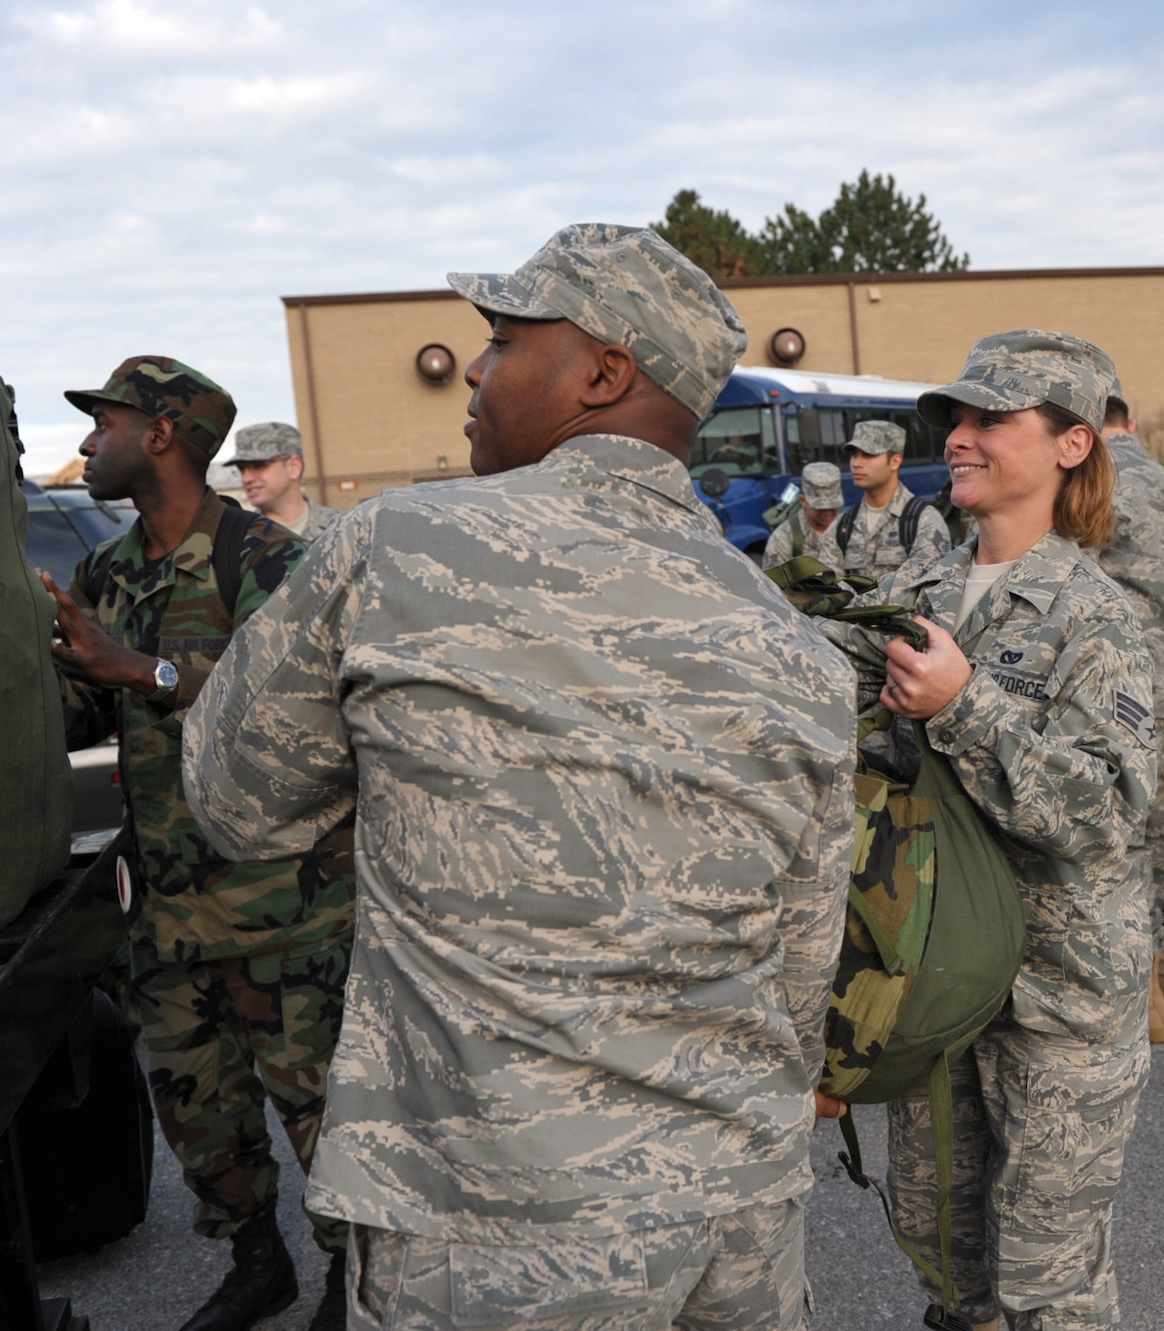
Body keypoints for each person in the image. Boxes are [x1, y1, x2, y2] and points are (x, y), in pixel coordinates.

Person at [183, 223, 858, 1331]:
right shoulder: (792, 642)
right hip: (736, 1215)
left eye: (500, 339)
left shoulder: (395, 544)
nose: (477, 372)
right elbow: (797, 967)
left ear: (603, 372)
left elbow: (234, 801)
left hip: (499, 1225)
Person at [823, 330, 1157, 1331]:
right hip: (926, 990)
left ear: (1069, 445)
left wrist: (963, 707)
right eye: (953, 420)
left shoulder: (1093, 613)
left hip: (1054, 1003)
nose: (957, 438)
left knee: (1046, 1281)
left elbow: (1103, 809)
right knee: (942, 1246)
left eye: (986, 420)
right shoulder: (918, 595)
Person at [42, 357, 356, 1331]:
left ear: (163, 433)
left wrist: (136, 665)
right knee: (200, 1112)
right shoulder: (107, 570)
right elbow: (83, 704)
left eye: (104, 422)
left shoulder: (267, 558)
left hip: (285, 907)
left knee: (324, 1115)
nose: (89, 443)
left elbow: (292, 706)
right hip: (171, 910)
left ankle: (358, 1283)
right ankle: (257, 1261)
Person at [1099, 392, 1164, 1042]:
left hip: (1120, 683)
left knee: (1125, 836)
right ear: (1131, 422)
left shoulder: (1085, 482)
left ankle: (1147, 995)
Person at [832, 418, 954, 580]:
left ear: (895, 461)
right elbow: (827, 588)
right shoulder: (843, 525)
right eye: (854, 454)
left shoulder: (923, 521)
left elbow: (927, 592)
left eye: (868, 455)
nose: (856, 463)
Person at [223, 421, 342, 540]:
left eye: (259, 465)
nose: (246, 479)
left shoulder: (341, 529)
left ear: (294, 467)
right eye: (241, 468)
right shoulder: (237, 538)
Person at [762, 459, 846, 569]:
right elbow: (772, 584)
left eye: (832, 506)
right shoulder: (784, 538)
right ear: (803, 501)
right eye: (819, 507)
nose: (827, 512)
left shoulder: (850, 530)